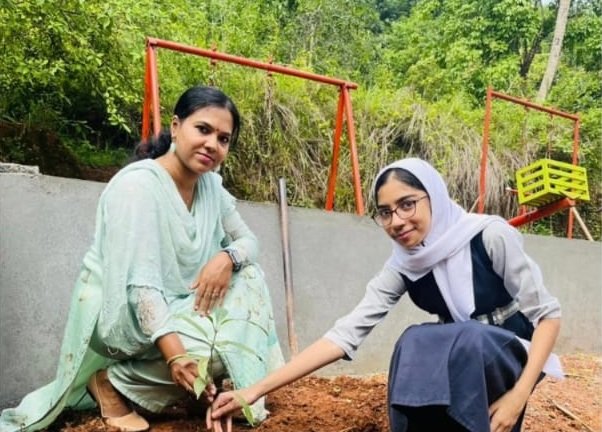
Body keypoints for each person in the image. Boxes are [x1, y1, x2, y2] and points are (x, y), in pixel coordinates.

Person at [0, 86, 284, 432]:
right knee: (213, 344)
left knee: (250, 278)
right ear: (176, 127)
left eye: (223, 139)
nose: (212, 144)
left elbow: (249, 241)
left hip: (180, 303)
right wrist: (177, 356)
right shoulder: (138, 188)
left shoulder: (211, 187)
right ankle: (112, 384)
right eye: (203, 129)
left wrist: (226, 257)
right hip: (126, 312)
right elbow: (141, 287)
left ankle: (222, 391)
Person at [209, 157, 562, 432]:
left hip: (514, 351)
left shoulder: (489, 236)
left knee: (467, 340)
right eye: (385, 212)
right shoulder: (405, 264)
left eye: (407, 204)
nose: (396, 221)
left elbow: (548, 317)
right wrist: (254, 390)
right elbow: (345, 334)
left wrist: (518, 396)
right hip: (464, 355)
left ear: (434, 197)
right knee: (414, 340)